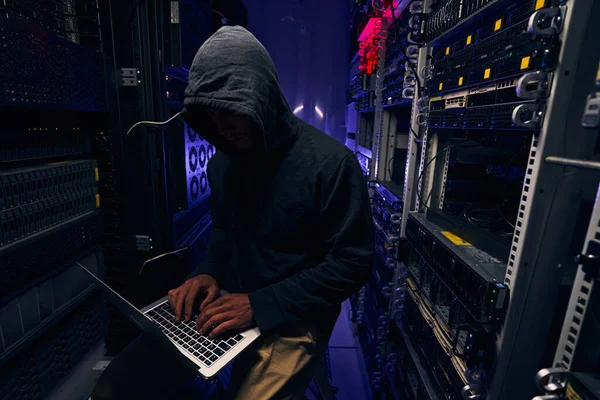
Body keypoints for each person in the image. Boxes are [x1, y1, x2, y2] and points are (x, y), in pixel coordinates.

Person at [167, 25, 374, 399]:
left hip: (298, 312)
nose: (223, 129)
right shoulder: (223, 164)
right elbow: (224, 232)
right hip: (235, 297)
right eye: (212, 118)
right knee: (124, 384)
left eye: (233, 113)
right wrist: (207, 272)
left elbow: (352, 263)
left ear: (263, 98)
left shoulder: (331, 164)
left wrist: (260, 306)